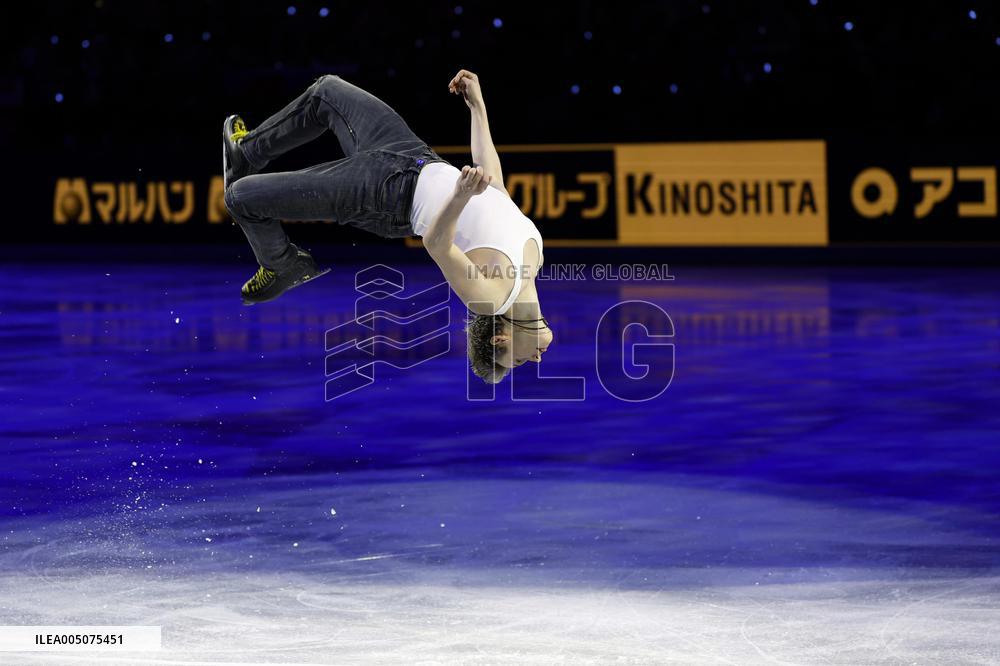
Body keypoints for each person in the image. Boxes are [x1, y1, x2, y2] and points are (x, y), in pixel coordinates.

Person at [222, 69, 552, 383]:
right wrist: (478, 109)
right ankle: (246, 152)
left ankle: (281, 264)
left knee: (239, 198)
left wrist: (461, 195)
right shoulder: (534, 257)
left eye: (521, 360)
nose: (536, 359)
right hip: (412, 154)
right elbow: (496, 186)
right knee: (326, 91)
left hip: (385, 196)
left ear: (499, 338)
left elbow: (437, 244)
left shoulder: (490, 299)